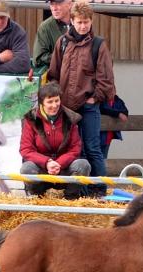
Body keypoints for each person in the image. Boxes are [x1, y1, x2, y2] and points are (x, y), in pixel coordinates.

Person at [48, 0, 115, 197]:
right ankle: (81, 191)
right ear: (72, 21)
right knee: (76, 151)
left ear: (91, 21)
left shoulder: (98, 45)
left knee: (93, 148)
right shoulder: (62, 43)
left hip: (88, 107)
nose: (83, 26)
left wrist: (94, 99)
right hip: (66, 108)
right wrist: (56, 100)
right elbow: (53, 74)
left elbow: (107, 78)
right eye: (79, 22)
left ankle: (99, 191)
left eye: (86, 22)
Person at [19, 81, 91, 200]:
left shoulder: (69, 118)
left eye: (57, 100)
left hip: (63, 167)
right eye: (50, 102)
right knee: (26, 168)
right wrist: (47, 162)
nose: (54, 105)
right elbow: (26, 149)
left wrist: (59, 163)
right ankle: (36, 197)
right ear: (42, 103)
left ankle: (70, 198)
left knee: (83, 165)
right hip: (41, 168)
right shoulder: (31, 120)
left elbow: (75, 148)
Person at [33, 0, 72, 69]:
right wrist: (64, 57)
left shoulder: (81, 23)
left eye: (58, 3)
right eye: (52, 4)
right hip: (56, 76)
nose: (54, 8)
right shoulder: (45, 27)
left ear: (69, 4)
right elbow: (38, 59)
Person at [99, 94, 128, 159]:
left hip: (108, 136)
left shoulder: (117, 100)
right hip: (98, 135)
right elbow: (103, 109)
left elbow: (125, 111)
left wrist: (117, 113)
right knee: (96, 157)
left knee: (104, 158)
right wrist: (117, 114)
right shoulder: (100, 98)